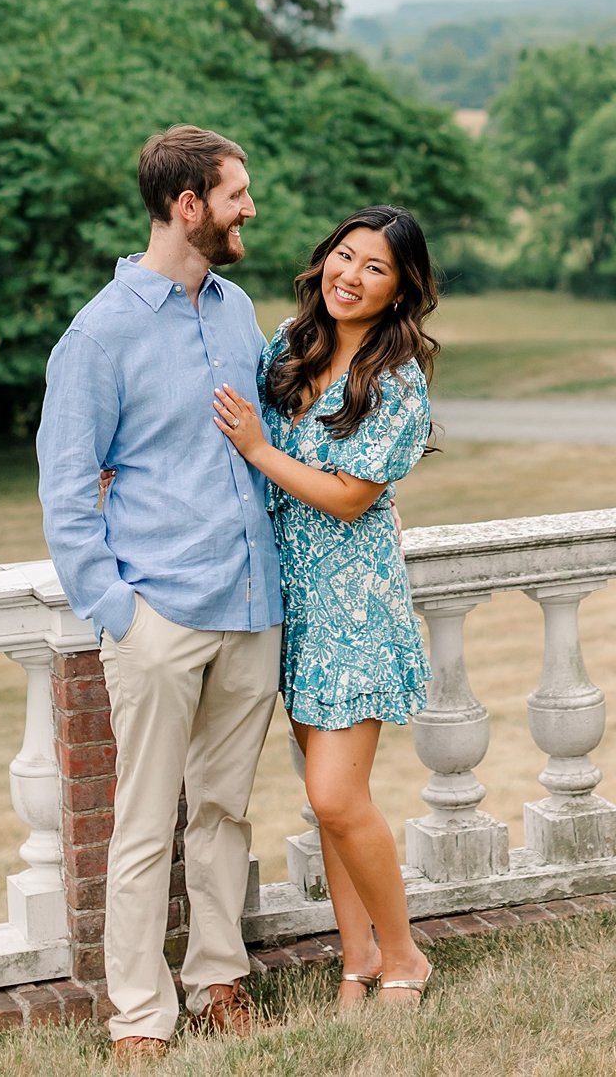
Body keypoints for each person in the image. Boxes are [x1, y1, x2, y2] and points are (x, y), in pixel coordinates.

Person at [37, 126, 282, 1057]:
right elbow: (66, 488)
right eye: (235, 194)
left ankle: (219, 977)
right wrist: (121, 616)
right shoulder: (99, 334)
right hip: (160, 617)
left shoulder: (235, 308)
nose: (248, 207)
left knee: (223, 810)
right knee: (142, 828)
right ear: (189, 207)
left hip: (252, 608)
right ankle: (139, 1016)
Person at [213, 204, 437, 1011]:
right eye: (346, 257)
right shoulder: (288, 345)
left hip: (354, 601)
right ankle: (358, 961)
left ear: (400, 289)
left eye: (376, 268)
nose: (353, 276)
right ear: (324, 261)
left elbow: (349, 499)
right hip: (288, 596)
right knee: (327, 802)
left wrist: (262, 452)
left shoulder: (398, 380)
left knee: (339, 797)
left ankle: (406, 956)